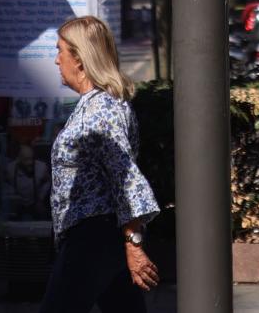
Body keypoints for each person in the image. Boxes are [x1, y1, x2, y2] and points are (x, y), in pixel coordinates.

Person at [40, 16, 160, 313]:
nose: (57, 61)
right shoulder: (98, 105)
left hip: (92, 237)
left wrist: (134, 244)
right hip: (100, 235)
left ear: (79, 60)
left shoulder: (102, 110)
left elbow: (126, 177)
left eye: (60, 51)